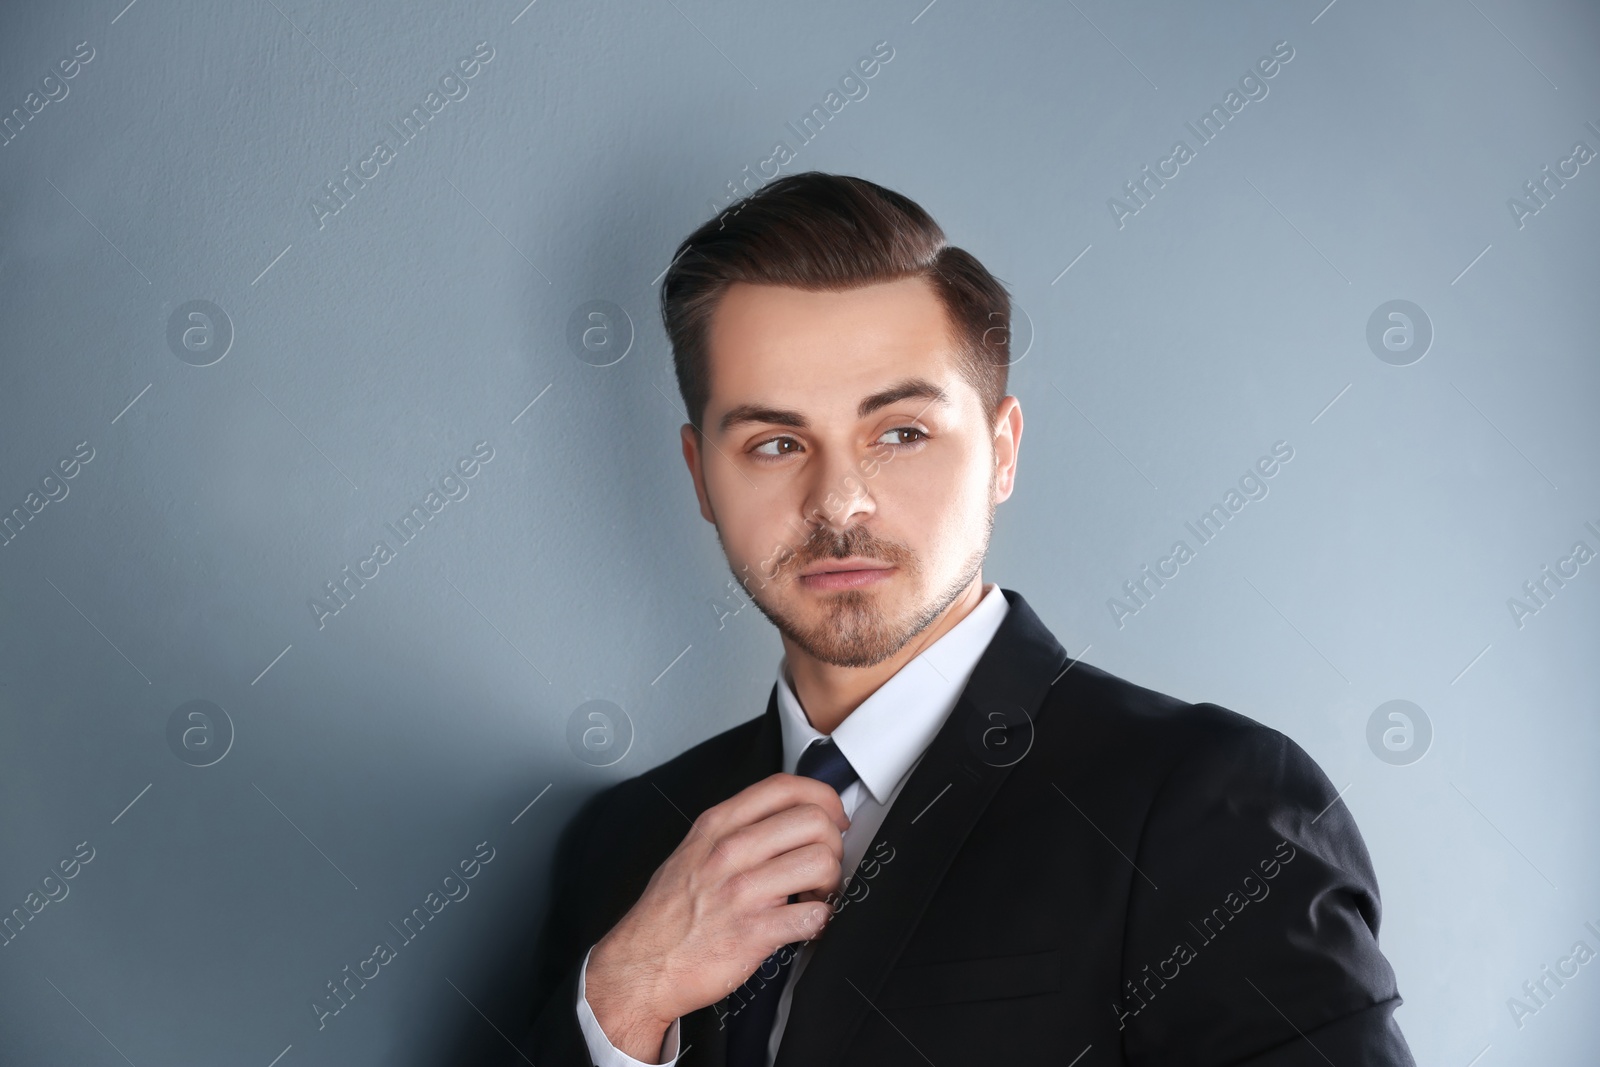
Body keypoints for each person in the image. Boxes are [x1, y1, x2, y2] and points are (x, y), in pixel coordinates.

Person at [511, 172, 1415, 1066]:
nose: (841, 502)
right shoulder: (625, 844)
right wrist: (626, 994)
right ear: (702, 476)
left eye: (900, 432)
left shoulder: (1205, 803)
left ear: (1001, 452)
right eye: (776, 443)